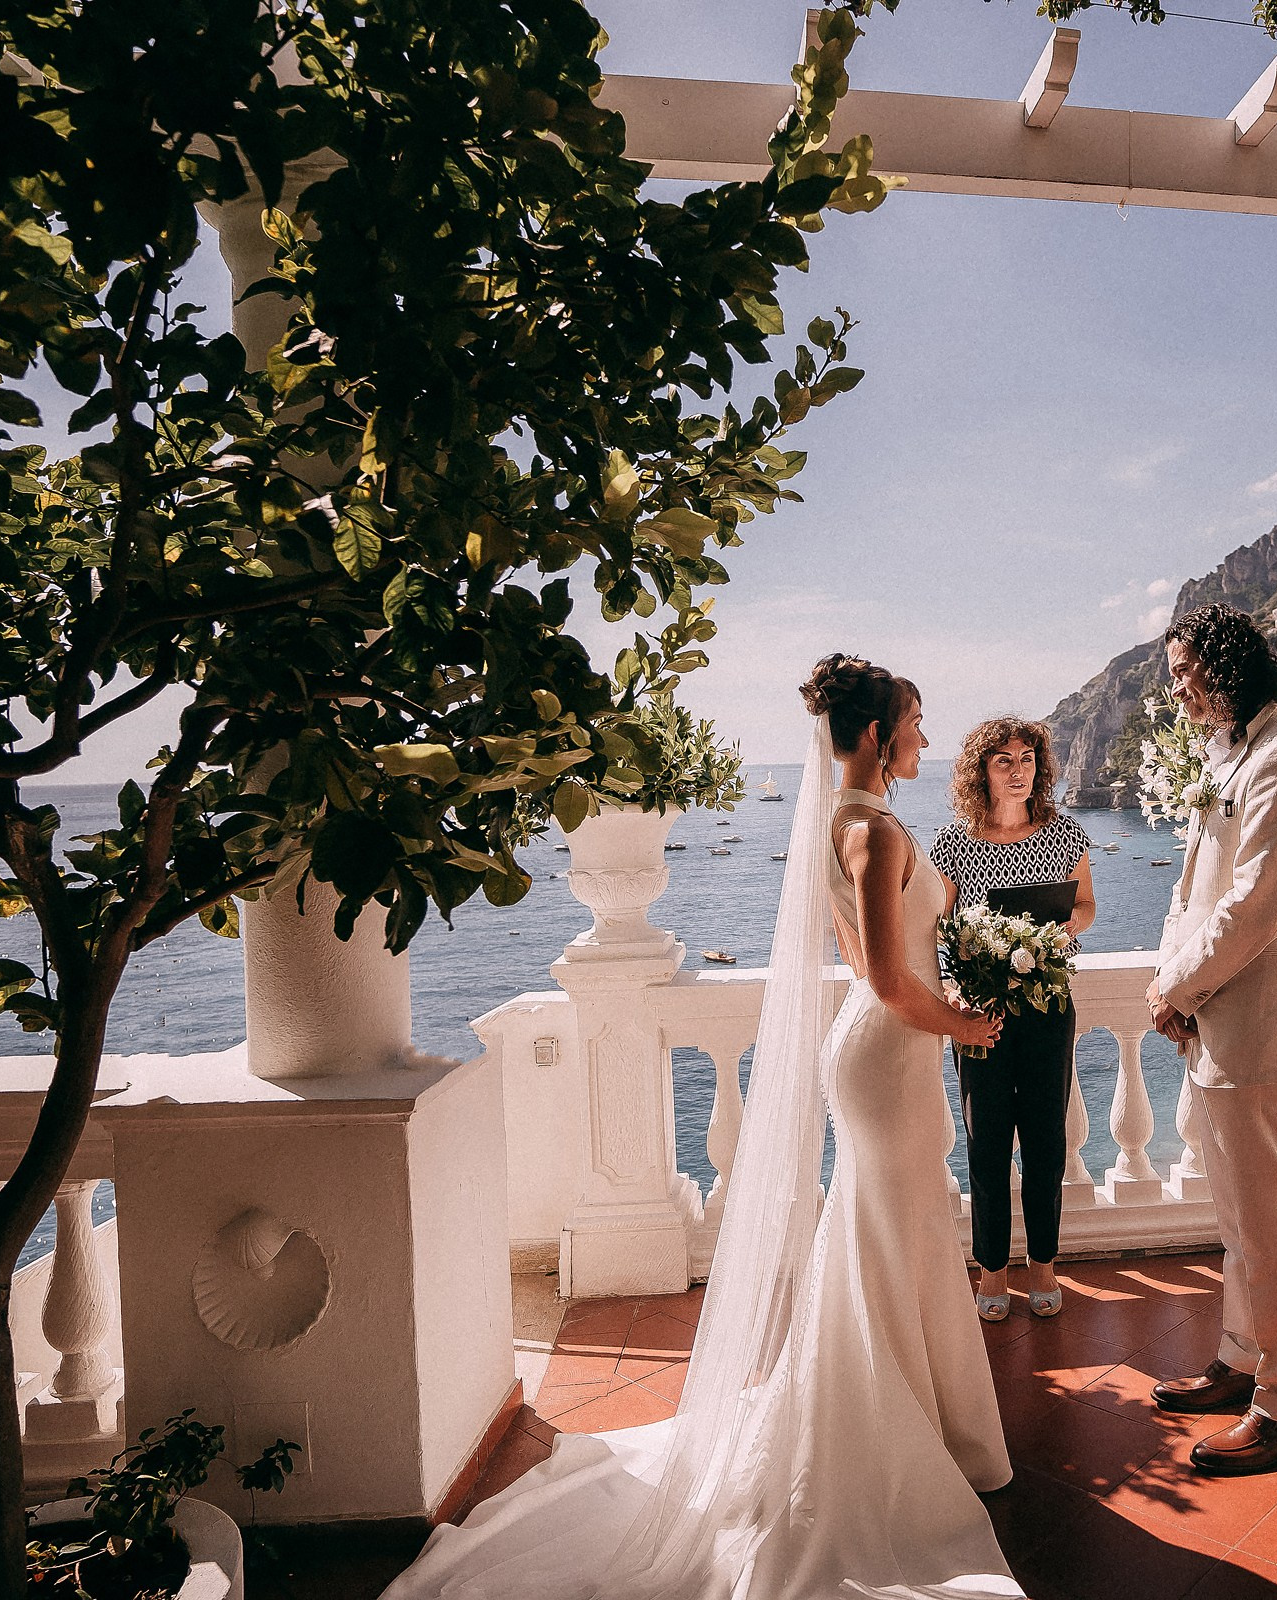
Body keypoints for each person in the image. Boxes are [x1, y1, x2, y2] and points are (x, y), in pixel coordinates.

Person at [380, 655, 1020, 1599]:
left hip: (883, 1054)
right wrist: (964, 1021)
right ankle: (901, 1431)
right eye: (916, 723)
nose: (926, 737)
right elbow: (886, 979)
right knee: (902, 1229)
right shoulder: (875, 835)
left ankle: (920, 1419)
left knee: (892, 1233)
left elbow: (868, 960)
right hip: (890, 1056)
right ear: (879, 735)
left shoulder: (846, 824)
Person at [1144, 604, 1277, 1477]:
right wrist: (1171, 991)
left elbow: (1254, 906)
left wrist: (1178, 988)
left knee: (1272, 1218)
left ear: (1227, 664)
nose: (1176, 686)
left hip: (1257, 1024)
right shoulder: (1236, 755)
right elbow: (1195, 895)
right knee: (1236, 1214)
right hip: (1215, 1023)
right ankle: (1245, 1356)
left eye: (1185, 669)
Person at [931, 717, 1095, 1322]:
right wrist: (953, 991)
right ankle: (992, 1272)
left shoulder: (1064, 834)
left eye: (1027, 758)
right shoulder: (954, 844)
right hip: (983, 1017)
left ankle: (1044, 1268)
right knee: (987, 1143)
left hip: (1050, 1009)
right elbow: (939, 930)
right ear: (982, 771)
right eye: (1004, 760)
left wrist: (1055, 939)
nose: (1018, 769)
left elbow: (1085, 904)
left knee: (1048, 1143)